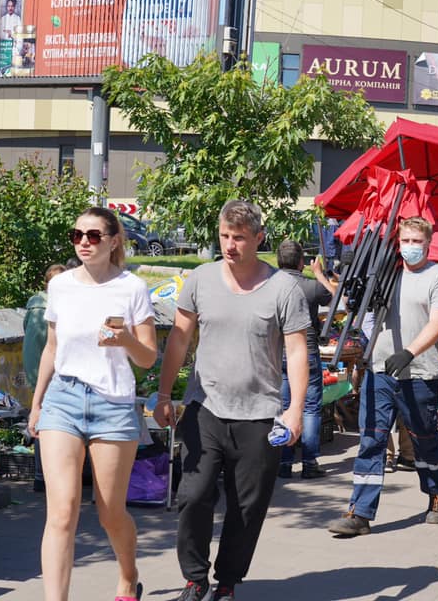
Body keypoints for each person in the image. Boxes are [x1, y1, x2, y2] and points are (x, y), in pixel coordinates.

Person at [153, 200, 310, 601]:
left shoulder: (283, 288)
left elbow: (295, 351)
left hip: (259, 415)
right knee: (193, 494)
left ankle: (226, 582)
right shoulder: (202, 279)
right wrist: (165, 393)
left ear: (258, 238)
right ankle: (194, 577)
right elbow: (180, 339)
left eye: (239, 237)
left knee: (246, 507)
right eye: (225, 236)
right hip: (204, 407)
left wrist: (294, 411)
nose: (230, 244)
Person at [28, 207, 158, 601]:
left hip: (113, 404)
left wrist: (125, 341)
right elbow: (52, 347)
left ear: (114, 240)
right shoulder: (61, 286)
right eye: (77, 235)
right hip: (62, 399)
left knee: (109, 512)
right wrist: (37, 404)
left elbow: (148, 357)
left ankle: (127, 576)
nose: (84, 241)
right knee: (62, 511)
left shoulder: (132, 288)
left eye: (94, 235)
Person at [327, 216, 438, 537]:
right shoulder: (385, 273)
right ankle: (360, 512)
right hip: (380, 370)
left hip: (419, 372)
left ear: (428, 243)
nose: (410, 247)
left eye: (416, 242)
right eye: (405, 241)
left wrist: (409, 351)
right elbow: (358, 306)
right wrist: (351, 291)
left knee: (424, 439)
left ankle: (436, 494)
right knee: (371, 439)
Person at [276, 240, 332, 480]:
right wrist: (319, 274)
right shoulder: (310, 286)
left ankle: (284, 462)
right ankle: (309, 462)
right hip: (306, 352)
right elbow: (333, 296)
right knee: (310, 408)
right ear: (301, 262)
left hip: (278, 353)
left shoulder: (271, 285)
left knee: (284, 407)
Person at [23, 263, 67, 493]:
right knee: (46, 426)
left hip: (41, 372)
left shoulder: (36, 304)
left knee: (46, 423)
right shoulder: (48, 307)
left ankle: (45, 476)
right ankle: (43, 476)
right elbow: (47, 347)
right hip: (50, 373)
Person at [121, 0, 211, 67]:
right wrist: (178, 42)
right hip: (144, 80)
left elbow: (198, 50)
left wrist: (153, 42)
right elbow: (128, 51)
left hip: (183, 80)